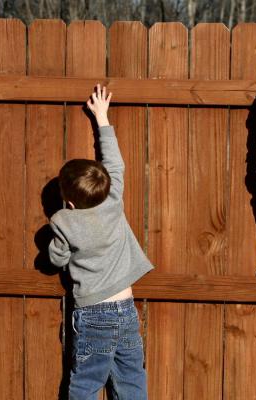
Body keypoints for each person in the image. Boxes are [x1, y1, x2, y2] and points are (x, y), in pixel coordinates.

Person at [48, 84, 153, 399]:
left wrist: (54, 242)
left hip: (93, 312)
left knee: (86, 383)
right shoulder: (114, 199)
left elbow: (57, 259)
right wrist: (102, 117)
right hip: (125, 306)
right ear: (106, 187)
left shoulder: (64, 221)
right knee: (132, 380)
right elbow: (114, 162)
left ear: (69, 203)